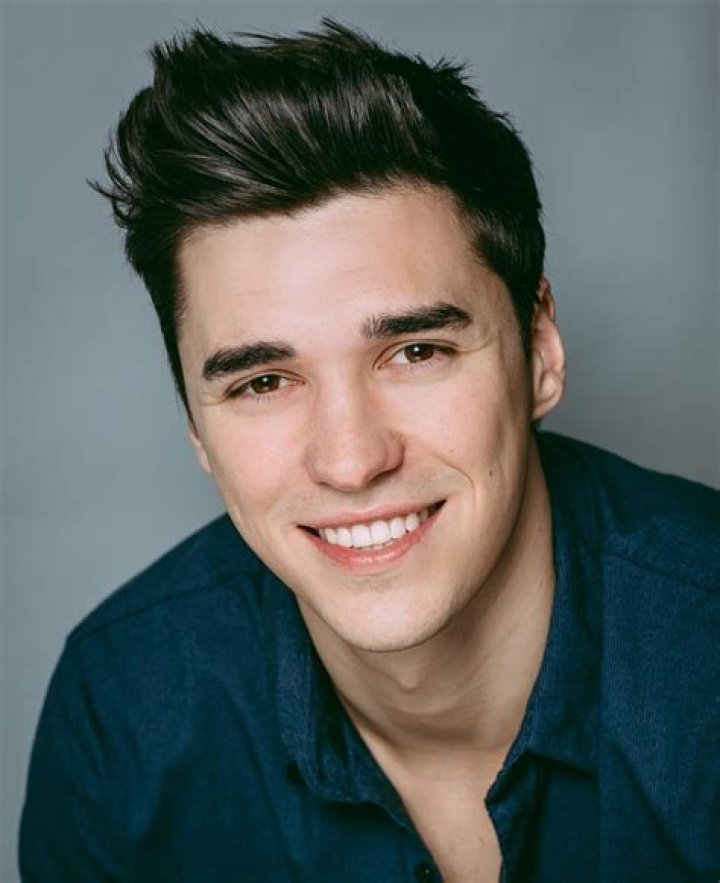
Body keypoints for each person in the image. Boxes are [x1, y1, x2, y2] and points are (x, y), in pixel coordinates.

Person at [19, 20, 719, 883]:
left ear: (540, 350)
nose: (351, 461)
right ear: (196, 428)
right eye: (263, 382)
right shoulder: (124, 710)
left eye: (416, 351)